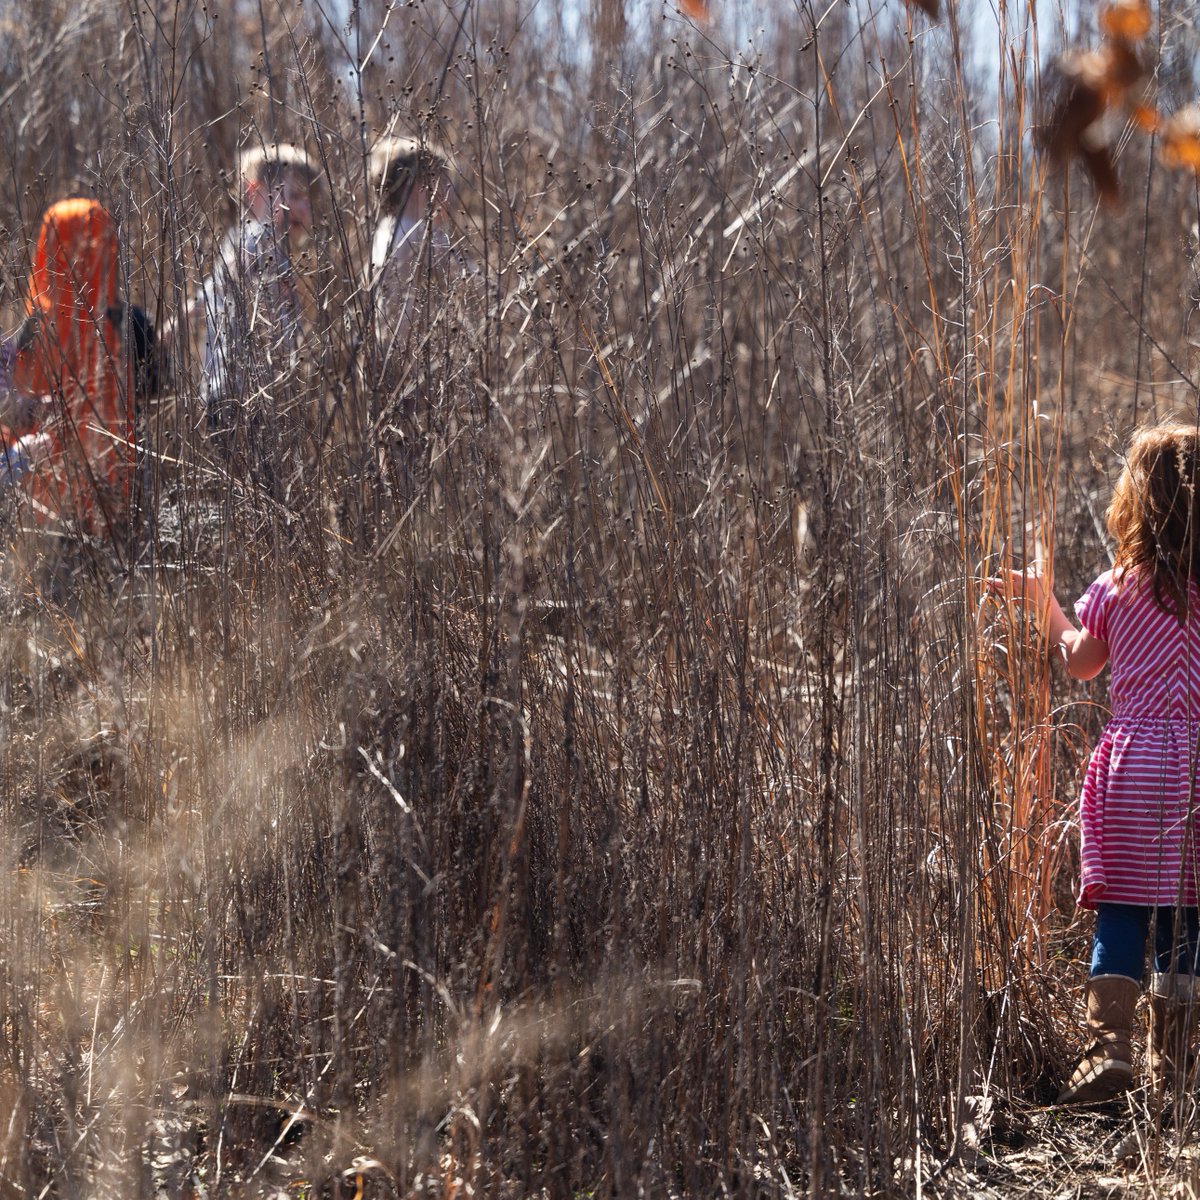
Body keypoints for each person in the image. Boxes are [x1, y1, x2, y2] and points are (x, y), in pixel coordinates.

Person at [990, 421, 1200, 1103]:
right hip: (1194, 768)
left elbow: (1080, 662)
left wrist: (1044, 603)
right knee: (1184, 915)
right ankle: (1171, 1073)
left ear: (1136, 499)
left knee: (1123, 908)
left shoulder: (1117, 587)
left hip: (1134, 763)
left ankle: (1109, 1050)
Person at [0, 198, 136, 535]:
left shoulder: (30, 331)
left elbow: (8, 406)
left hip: (40, 504)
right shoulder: (128, 323)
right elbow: (160, 384)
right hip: (112, 496)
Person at [200, 141, 321, 497]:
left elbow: (205, 296)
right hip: (243, 397)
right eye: (295, 196)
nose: (304, 207)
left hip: (239, 394)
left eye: (307, 199)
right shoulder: (258, 240)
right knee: (261, 495)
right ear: (255, 193)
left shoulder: (246, 242)